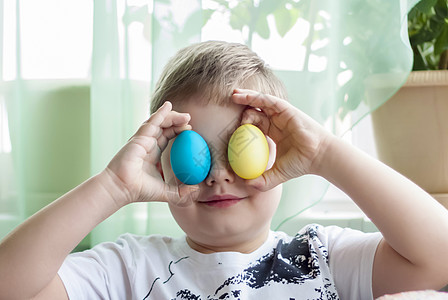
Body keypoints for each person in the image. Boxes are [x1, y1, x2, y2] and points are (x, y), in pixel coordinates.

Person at [1, 41, 448, 300]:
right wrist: (113, 186)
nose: (217, 176)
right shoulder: (130, 267)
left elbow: (439, 256)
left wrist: (326, 153)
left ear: (282, 155)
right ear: (161, 164)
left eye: (240, 149)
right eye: (192, 155)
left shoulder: (323, 258)